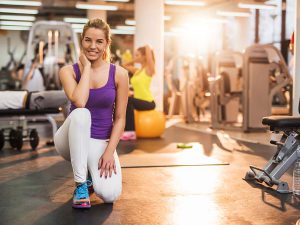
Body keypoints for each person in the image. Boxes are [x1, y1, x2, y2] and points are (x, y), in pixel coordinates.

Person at [53, 18, 128, 209]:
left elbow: (120, 118)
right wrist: (86, 67)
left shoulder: (119, 74)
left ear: (106, 44)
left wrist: (109, 152)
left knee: (110, 195)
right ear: (82, 41)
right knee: (81, 113)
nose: (92, 46)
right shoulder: (68, 71)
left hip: (100, 141)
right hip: (70, 140)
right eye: (88, 40)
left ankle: (90, 178)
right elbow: (79, 101)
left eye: (99, 41)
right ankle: (80, 185)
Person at [121, 45, 155, 140]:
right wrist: (136, 59)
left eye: (137, 55)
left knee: (128, 100)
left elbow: (149, 53)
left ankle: (131, 133)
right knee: (124, 100)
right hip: (139, 101)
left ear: (144, 56)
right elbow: (125, 65)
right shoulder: (137, 71)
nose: (135, 57)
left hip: (149, 102)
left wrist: (147, 48)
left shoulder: (149, 70)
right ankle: (124, 130)